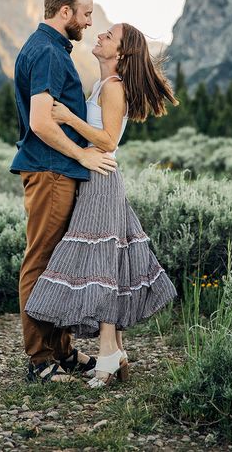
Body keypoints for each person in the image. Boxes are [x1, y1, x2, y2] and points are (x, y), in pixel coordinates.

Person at [25, 22, 180, 387]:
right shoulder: (103, 86)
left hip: (101, 179)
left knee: (101, 261)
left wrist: (66, 117)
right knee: (108, 259)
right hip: (98, 178)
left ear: (121, 53)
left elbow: (108, 141)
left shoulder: (114, 87)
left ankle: (109, 351)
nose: (101, 36)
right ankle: (115, 350)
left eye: (109, 36)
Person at [10, 0, 117, 383]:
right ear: (66, 12)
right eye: (86, 13)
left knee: (59, 262)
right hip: (51, 171)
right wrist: (81, 153)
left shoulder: (48, 48)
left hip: (57, 171)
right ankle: (40, 360)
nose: (90, 22)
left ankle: (63, 352)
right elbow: (40, 121)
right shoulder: (48, 53)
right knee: (40, 262)